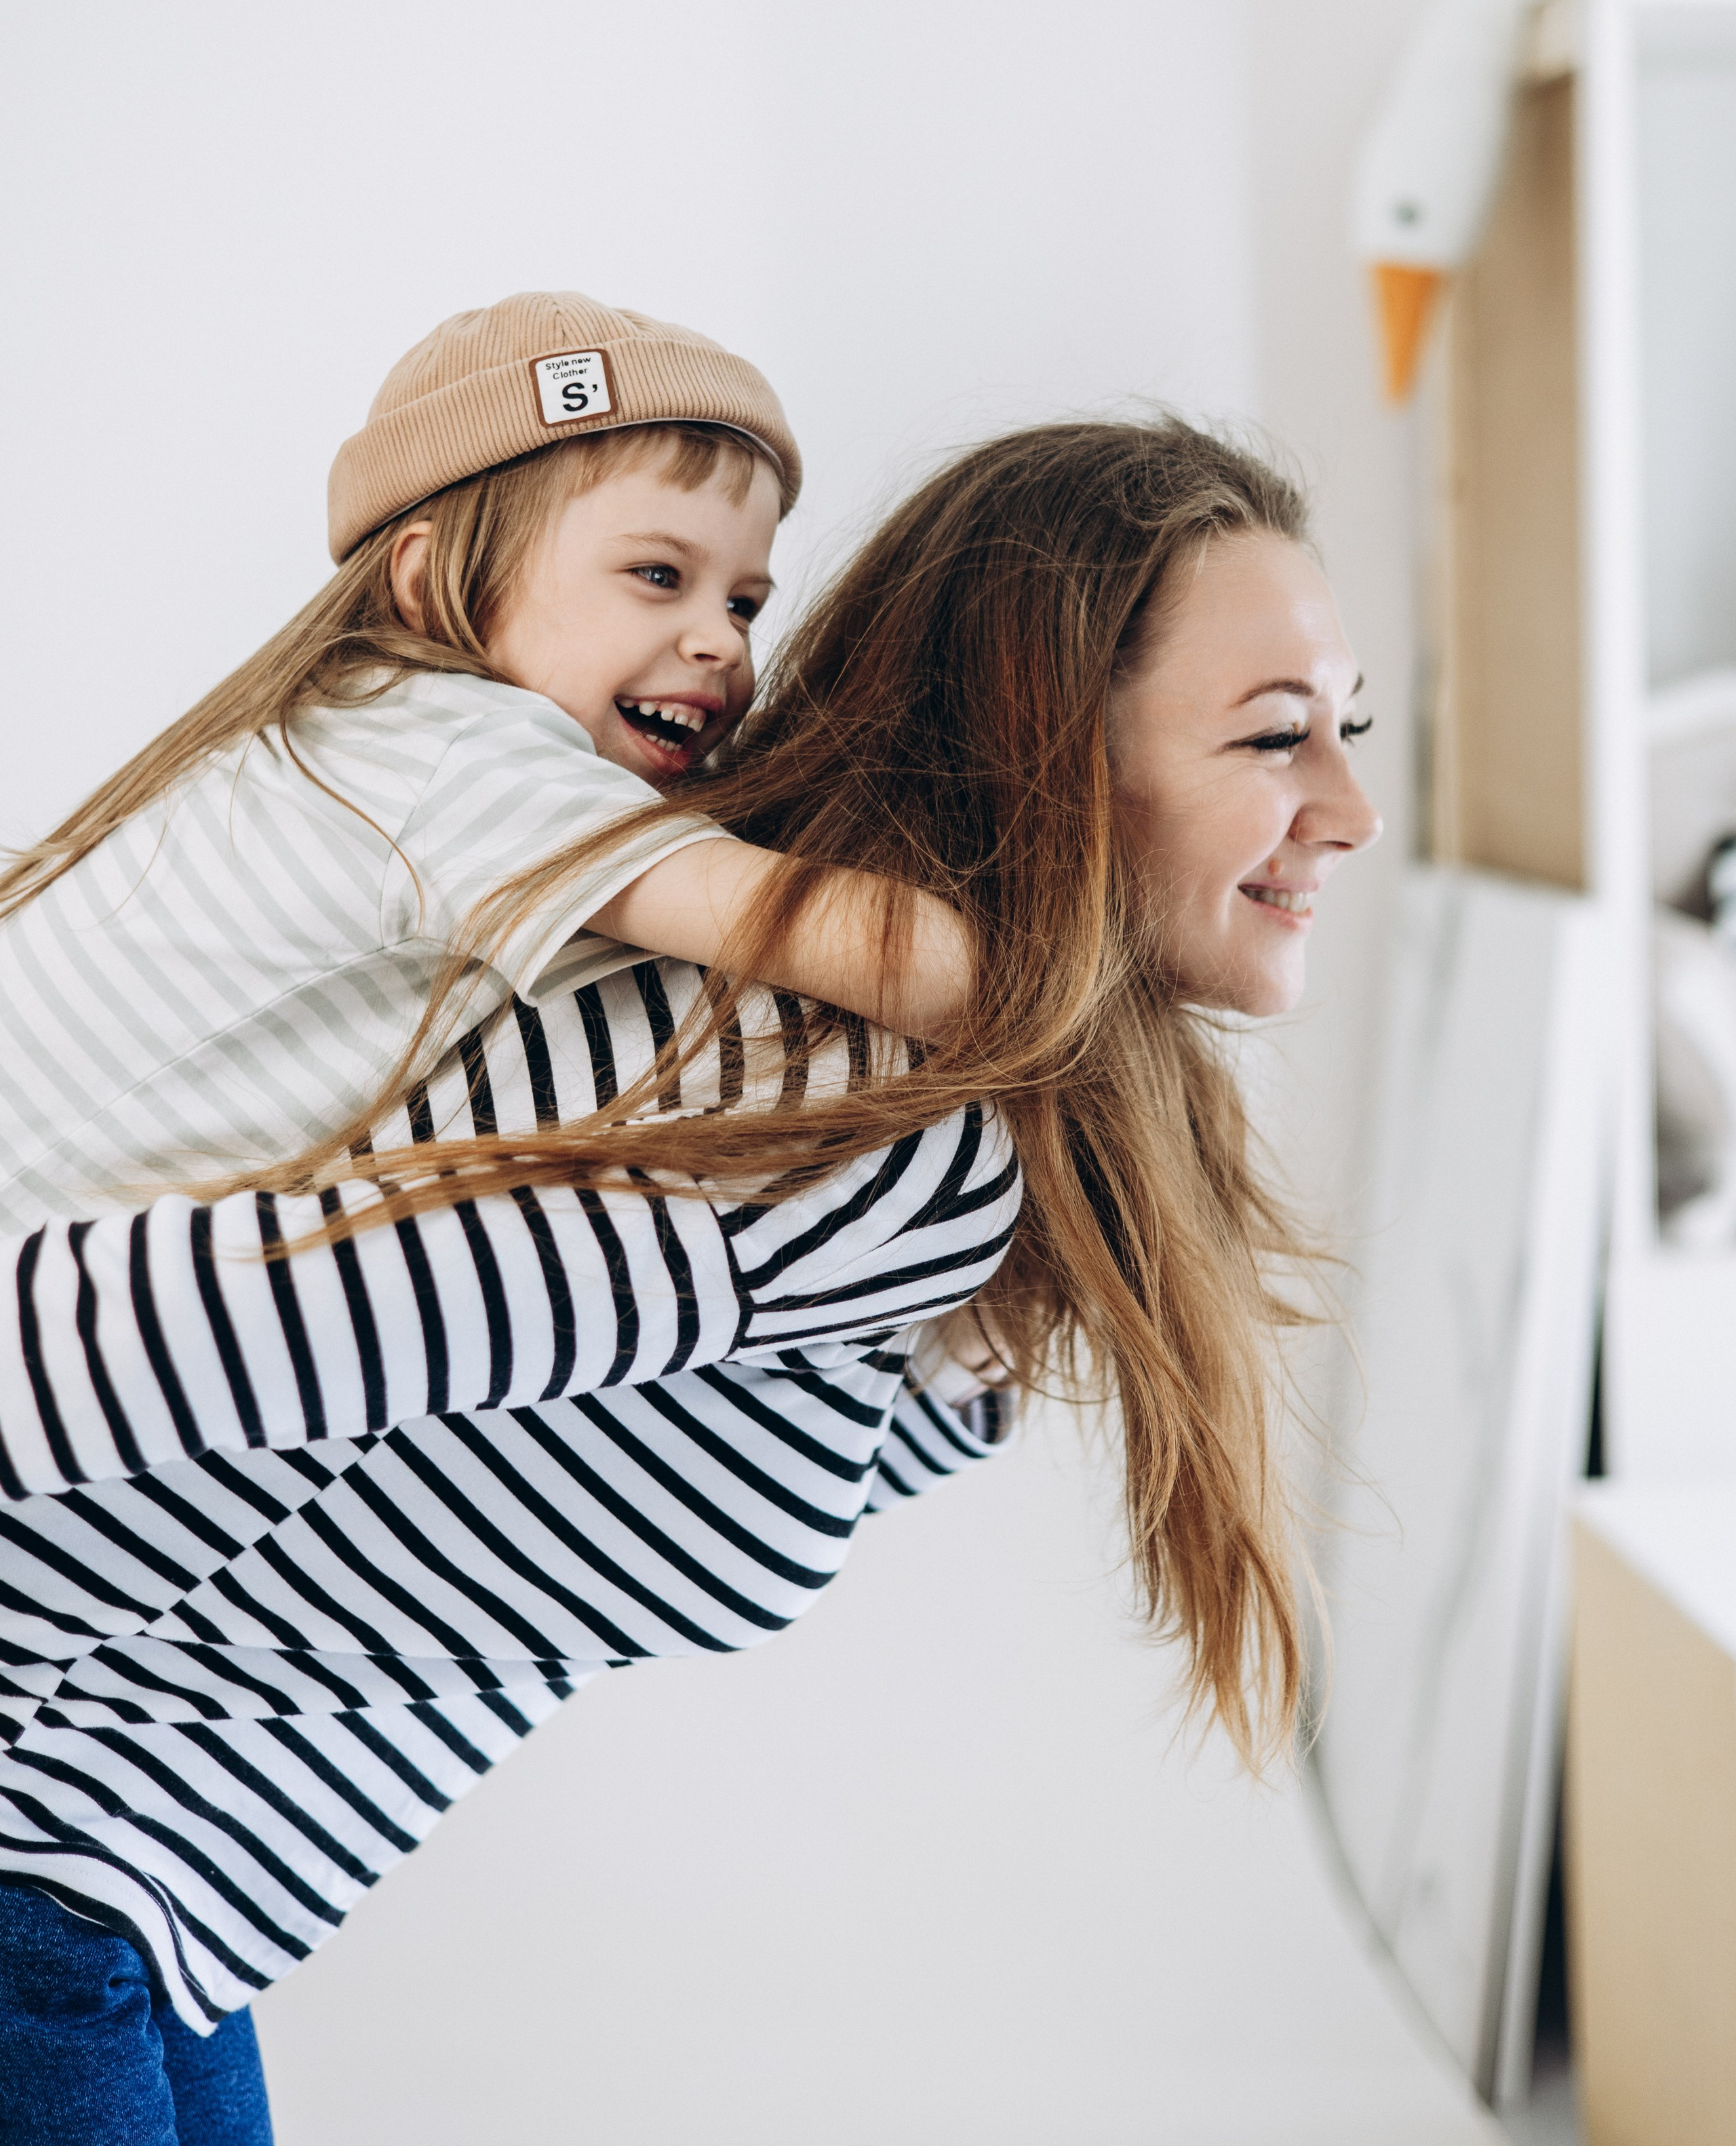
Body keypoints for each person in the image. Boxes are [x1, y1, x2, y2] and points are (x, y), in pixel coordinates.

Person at [0, 415, 1379, 2143]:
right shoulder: (838, 1120)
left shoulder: (886, 1144)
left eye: (1347, 729)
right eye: (1274, 737)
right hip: (44, 1870)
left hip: (143, 1911)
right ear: (1057, 752)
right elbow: (52, 1363)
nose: (1350, 806)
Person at [0, 290, 968, 1241]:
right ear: (426, 582)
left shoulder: (347, 735)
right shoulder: (455, 754)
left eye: (745, 603)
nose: (721, 641)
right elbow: (914, 967)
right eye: (659, 576)